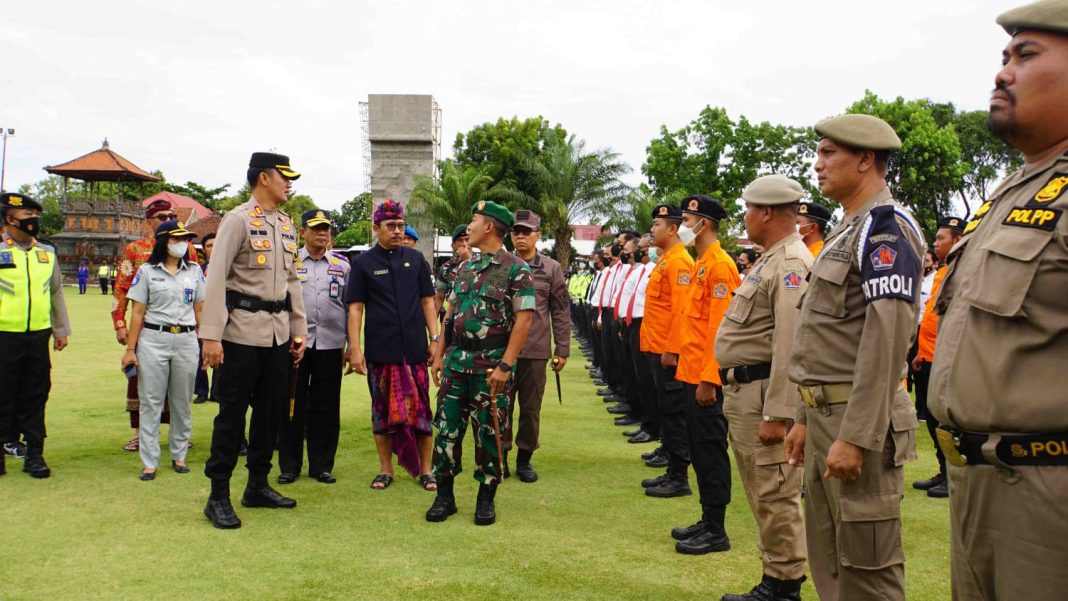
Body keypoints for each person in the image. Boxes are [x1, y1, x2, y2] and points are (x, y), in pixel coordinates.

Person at [929, 3, 1068, 597]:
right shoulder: (1008, 193)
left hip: (1047, 495)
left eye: (1026, 55)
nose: (1003, 73)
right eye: (1003, 57)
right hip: (979, 485)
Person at [784, 114, 924, 601]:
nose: (817, 164)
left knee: (868, 569)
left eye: (828, 154)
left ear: (866, 159)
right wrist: (804, 415)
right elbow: (821, 338)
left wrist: (857, 436)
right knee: (830, 559)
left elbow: (887, 338)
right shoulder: (847, 230)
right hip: (827, 417)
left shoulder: (885, 228)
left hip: (856, 421)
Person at [716, 175, 812, 601]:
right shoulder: (771, 258)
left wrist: (778, 412)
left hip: (762, 396)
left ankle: (783, 583)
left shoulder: (790, 263)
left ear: (767, 212)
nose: (745, 217)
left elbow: (791, 345)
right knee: (763, 491)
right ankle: (775, 575)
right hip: (746, 392)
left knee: (775, 491)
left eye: (749, 209)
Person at [199, 152, 307, 529]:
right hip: (240, 334)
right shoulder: (237, 220)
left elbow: (293, 281)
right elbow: (215, 280)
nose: (289, 184)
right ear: (264, 178)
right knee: (231, 416)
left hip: (277, 335)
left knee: (269, 414)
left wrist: (299, 329)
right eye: (284, 177)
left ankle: (257, 485)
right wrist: (211, 336)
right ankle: (218, 496)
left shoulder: (286, 225)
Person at [426, 200, 534, 526]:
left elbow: (524, 320)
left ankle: (486, 498)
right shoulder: (464, 269)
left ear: (488, 227)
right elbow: (449, 315)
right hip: (457, 362)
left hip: (490, 368)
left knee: (489, 433)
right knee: (445, 431)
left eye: (473, 220)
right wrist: (440, 353)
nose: (468, 226)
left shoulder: (516, 269)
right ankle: (444, 496)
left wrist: (506, 365)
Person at [344, 200, 438, 490]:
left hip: (415, 351)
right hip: (380, 352)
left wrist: (434, 339)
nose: (398, 231)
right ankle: (386, 469)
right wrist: (355, 349)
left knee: (421, 412)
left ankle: (425, 470)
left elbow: (427, 301)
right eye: (391, 226)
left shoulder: (416, 260)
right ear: (376, 228)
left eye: (400, 225)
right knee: (382, 413)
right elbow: (356, 308)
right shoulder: (362, 263)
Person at [666, 195, 740, 556]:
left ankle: (717, 529)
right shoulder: (701, 263)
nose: (683, 225)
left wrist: (711, 379)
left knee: (711, 451)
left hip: (706, 379)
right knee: (698, 449)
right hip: (691, 373)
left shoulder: (722, 267)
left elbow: (720, 330)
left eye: (688, 218)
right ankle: (706, 519)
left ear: (703, 224)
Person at [120, 221, 204, 481]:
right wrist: (130, 349)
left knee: (182, 401)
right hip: (154, 339)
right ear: (163, 241)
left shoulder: (194, 271)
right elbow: (137, 312)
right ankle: (149, 460)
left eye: (186, 239)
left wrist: (207, 343)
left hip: (187, 339)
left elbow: (200, 310)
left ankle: (179, 455)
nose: (183, 244)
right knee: (151, 401)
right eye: (178, 239)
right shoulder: (146, 271)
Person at [0, 192, 71, 478]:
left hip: (38, 336)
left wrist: (61, 330)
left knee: (36, 394)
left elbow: (55, 292)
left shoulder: (46, 252)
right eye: (28, 217)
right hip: (4, 335)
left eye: (35, 217)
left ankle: (34, 454)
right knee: (4, 395)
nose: (34, 222)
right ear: (10, 219)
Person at [277, 210, 351, 485]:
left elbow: (349, 308)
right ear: (303, 232)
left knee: (327, 408)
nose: (322, 233)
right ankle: (289, 465)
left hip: (331, 344)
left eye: (326, 229)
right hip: (295, 345)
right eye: (316, 228)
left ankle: (321, 465)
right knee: (292, 404)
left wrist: (351, 346)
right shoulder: (290, 263)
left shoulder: (342, 266)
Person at [502, 210, 569, 482]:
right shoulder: (501, 264)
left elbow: (561, 310)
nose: (520, 236)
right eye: (516, 231)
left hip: (536, 351)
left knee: (530, 409)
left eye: (526, 232)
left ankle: (525, 459)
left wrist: (562, 349)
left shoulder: (551, 268)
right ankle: (500, 457)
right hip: (503, 351)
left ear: (538, 236)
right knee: (501, 407)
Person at [640, 204, 695, 494]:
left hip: (668, 353)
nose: (653, 229)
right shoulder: (666, 260)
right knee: (666, 410)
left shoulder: (679, 262)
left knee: (674, 413)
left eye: (658, 224)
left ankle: (679, 477)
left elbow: (682, 311)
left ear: (672, 229)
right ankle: (672, 468)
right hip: (656, 347)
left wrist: (672, 350)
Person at [910, 217, 964, 499]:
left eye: (940, 238)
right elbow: (929, 314)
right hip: (928, 357)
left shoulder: (966, 269)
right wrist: (920, 352)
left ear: (957, 239)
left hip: (949, 360)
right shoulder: (940, 273)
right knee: (932, 420)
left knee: (947, 422)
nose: (935, 243)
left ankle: (956, 476)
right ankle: (944, 470)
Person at [619, 235, 660, 446]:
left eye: (647, 247)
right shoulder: (644, 270)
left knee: (648, 380)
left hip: (648, 325)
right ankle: (646, 422)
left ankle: (652, 426)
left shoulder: (658, 268)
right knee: (640, 377)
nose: (646, 250)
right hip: (635, 324)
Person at [194, 231, 217, 404]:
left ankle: (217, 391)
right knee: (199, 355)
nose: (213, 248)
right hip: (200, 317)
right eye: (209, 245)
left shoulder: (231, 270)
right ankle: (202, 391)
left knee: (222, 356)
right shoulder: (197, 271)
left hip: (222, 318)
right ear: (204, 250)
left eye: (217, 244)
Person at [433, 224, 471, 316]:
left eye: (467, 239)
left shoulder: (483, 263)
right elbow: (439, 297)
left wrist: (468, 261)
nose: (464, 244)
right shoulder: (447, 267)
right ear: (453, 245)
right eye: (460, 240)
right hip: (452, 319)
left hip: (473, 318)